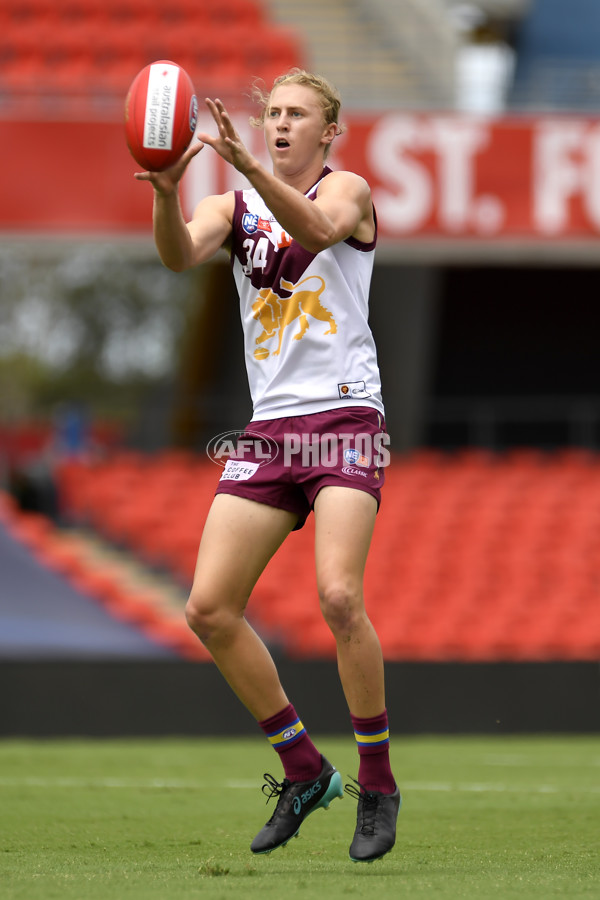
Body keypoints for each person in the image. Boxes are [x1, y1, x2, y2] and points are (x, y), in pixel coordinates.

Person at [135, 69, 400, 863]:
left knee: (339, 596)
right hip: (271, 430)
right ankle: (303, 768)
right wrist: (162, 192)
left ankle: (378, 785)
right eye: (273, 114)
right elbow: (179, 256)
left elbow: (318, 231)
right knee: (209, 609)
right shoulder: (230, 202)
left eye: (298, 115)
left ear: (329, 131)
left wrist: (248, 168)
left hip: (347, 419)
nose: (281, 124)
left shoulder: (348, 188)